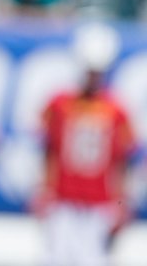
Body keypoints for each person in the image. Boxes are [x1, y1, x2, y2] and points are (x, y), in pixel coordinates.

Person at [35, 22, 137, 266]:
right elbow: (48, 149)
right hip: (63, 197)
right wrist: (42, 189)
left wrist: (123, 200)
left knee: (92, 260)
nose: (93, 77)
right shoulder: (59, 103)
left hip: (99, 201)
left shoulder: (117, 110)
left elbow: (124, 160)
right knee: (57, 258)